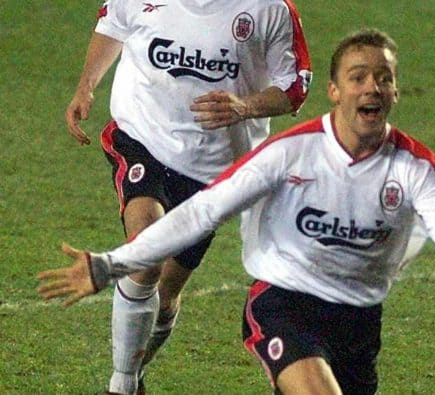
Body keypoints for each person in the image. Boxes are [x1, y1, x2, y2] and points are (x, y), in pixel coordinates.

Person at [40, 29, 435, 395]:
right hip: (283, 305)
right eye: (358, 77)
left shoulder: (415, 169)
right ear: (335, 91)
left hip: (359, 322)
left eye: (382, 78)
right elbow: (200, 212)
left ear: (395, 92)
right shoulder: (289, 155)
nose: (371, 87)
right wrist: (111, 264)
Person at [64, 0, 311, 393]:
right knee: (147, 248)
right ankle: (123, 384)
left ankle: (136, 368)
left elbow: (295, 86)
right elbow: (113, 23)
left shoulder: (270, 9)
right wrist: (85, 86)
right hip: (142, 136)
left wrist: (245, 106)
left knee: (165, 298)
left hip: (213, 170)